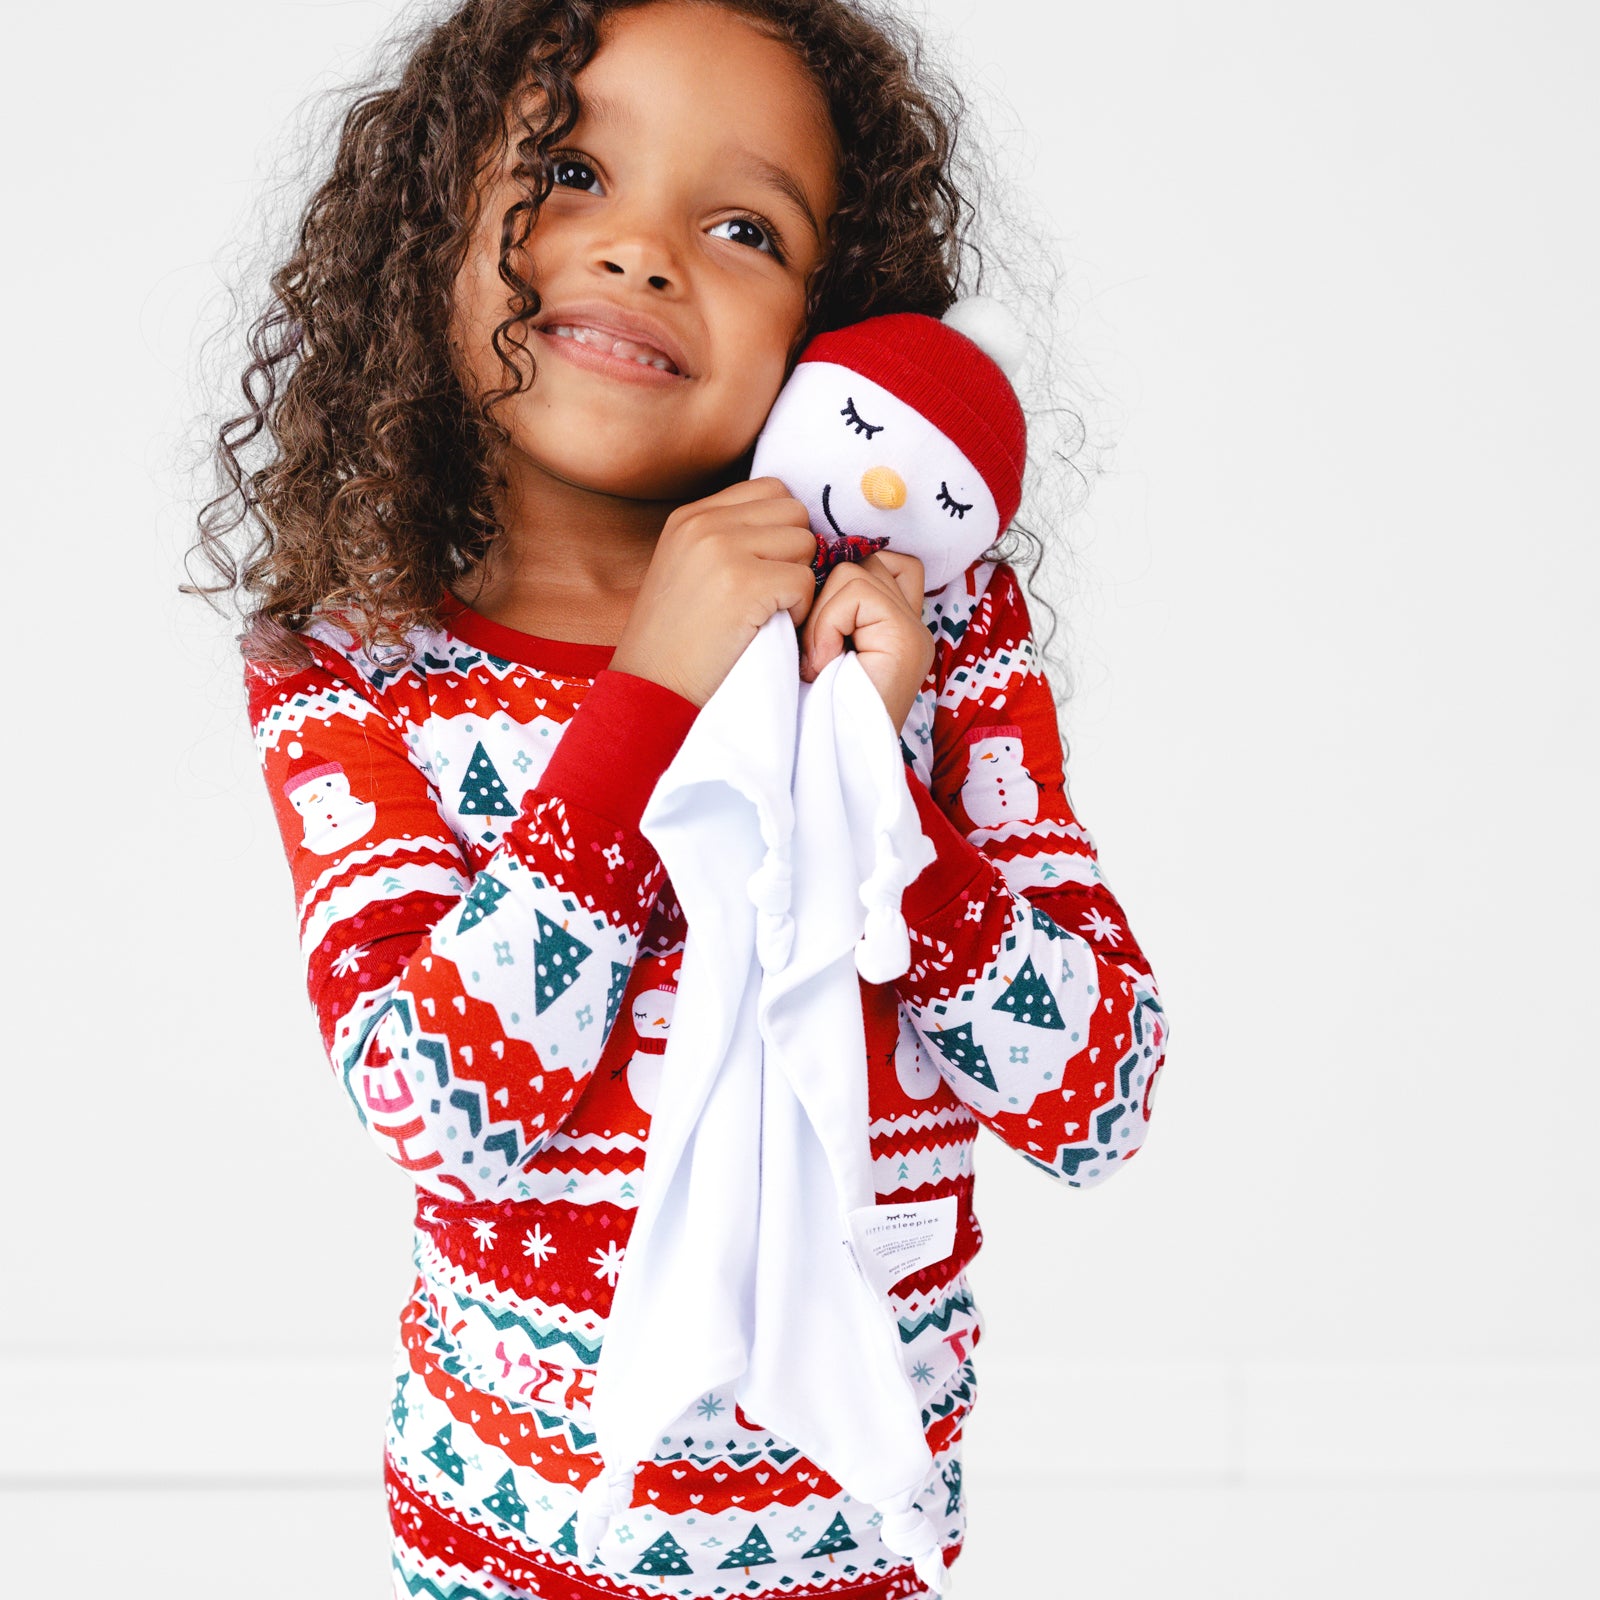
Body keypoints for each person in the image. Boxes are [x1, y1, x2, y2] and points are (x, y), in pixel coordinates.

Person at [189, 1, 1171, 1595]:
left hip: (860, 1546)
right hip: (506, 1544)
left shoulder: (939, 640)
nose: (644, 254)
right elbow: (439, 1114)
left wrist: (874, 782)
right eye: (572, 169)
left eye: (742, 226)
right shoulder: (353, 669)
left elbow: (1100, 1098)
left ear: (827, 323)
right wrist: (651, 698)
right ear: (432, 224)